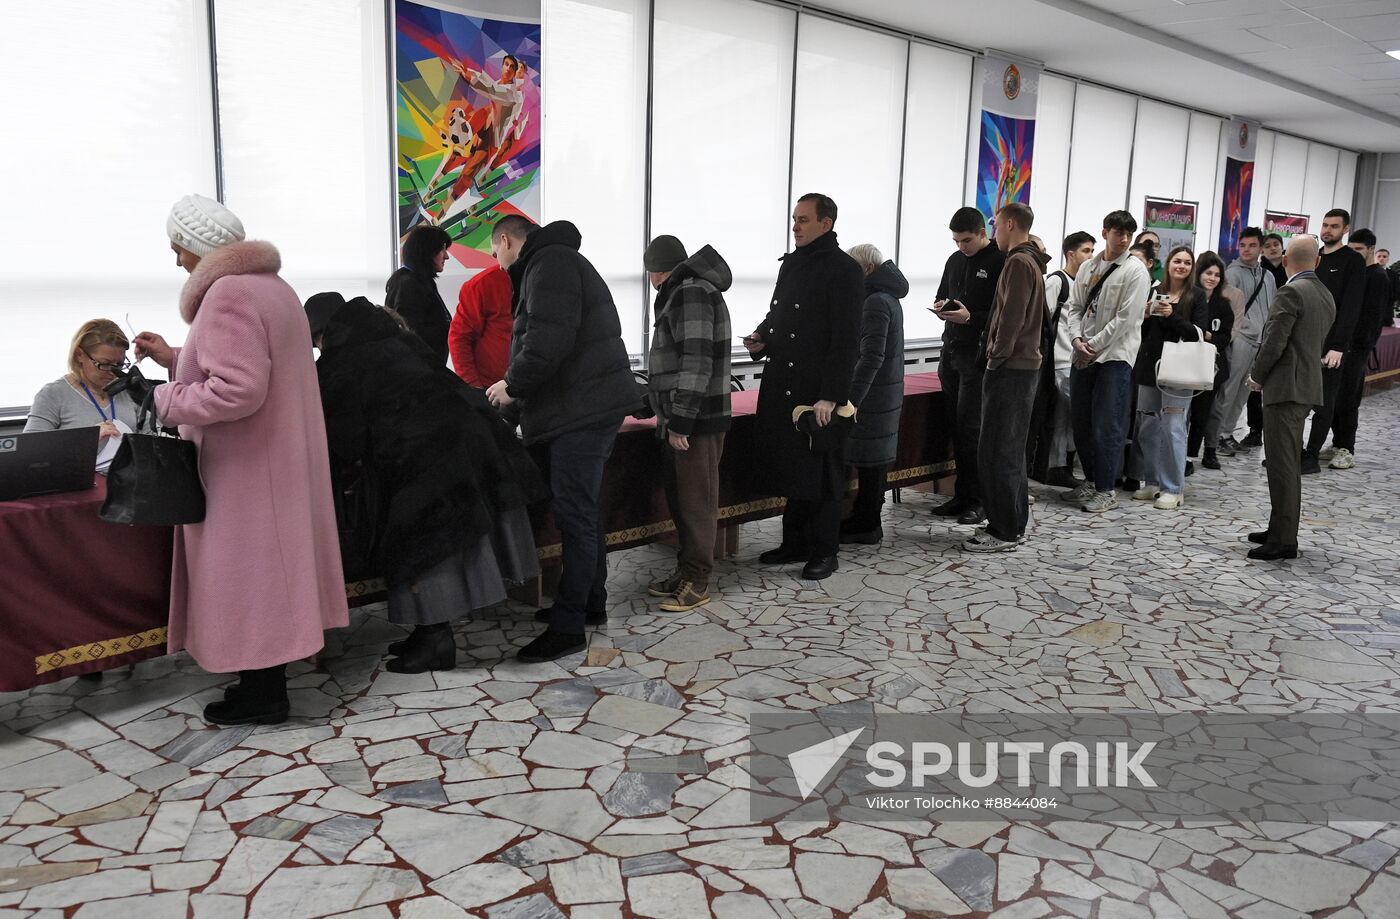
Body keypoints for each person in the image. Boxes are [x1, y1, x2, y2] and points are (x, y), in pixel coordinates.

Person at [133, 194, 348, 726]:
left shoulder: (228, 294)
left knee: (249, 579)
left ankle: (264, 693)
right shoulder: (273, 289)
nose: (177, 259)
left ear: (198, 247)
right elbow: (248, 365)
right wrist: (175, 359)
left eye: (178, 247)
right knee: (270, 575)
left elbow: (238, 389)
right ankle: (263, 685)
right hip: (277, 463)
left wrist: (164, 400)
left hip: (246, 468)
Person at [307, 293, 542, 673]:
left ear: (321, 333)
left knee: (425, 549)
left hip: (422, 460)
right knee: (443, 542)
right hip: (472, 443)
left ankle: (435, 641)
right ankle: (427, 633)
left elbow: (344, 437)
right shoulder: (395, 336)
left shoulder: (342, 359)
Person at [484, 216, 637, 663]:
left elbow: (548, 339)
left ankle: (568, 625)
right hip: (579, 406)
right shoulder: (552, 262)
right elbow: (543, 342)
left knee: (576, 516)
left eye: (495, 253)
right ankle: (589, 604)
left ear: (508, 241)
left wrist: (511, 386)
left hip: (581, 411)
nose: (497, 263)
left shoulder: (549, 263)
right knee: (582, 513)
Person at [743, 193, 863, 581]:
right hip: (784, 380)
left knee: (824, 471)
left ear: (826, 223)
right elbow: (780, 311)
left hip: (817, 388)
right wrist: (763, 335)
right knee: (792, 466)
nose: (796, 226)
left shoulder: (844, 269)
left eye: (804, 220)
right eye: (794, 219)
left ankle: (825, 550)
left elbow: (846, 338)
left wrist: (832, 394)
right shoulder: (793, 264)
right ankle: (794, 543)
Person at [640, 235, 733, 611]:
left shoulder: (691, 291)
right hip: (682, 416)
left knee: (696, 503)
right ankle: (686, 569)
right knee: (682, 501)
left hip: (697, 420)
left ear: (655, 270)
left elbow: (696, 361)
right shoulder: (682, 289)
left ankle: (697, 580)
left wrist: (681, 420)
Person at [965, 202, 1047, 552]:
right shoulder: (1032, 260)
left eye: (996, 224)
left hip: (1011, 368)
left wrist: (995, 359)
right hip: (1022, 368)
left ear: (1010, 224)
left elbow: (1010, 318)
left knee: (998, 449)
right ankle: (1011, 522)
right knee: (1009, 448)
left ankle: (1004, 529)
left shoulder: (1017, 261)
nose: (994, 230)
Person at [1247, 235, 1334, 561]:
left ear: (1285, 260)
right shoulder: (1324, 293)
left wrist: (1256, 376)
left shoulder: (1291, 291)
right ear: (1319, 261)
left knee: (1282, 466)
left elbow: (1274, 343)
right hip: (1306, 386)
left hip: (1286, 389)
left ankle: (1284, 540)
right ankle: (1280, 527)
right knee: (1286, 464)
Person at [1062, 210, 1153, 513]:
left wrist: (1093, 345)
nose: (1123, 238)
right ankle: (1090, 480)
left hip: (1114, 357)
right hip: (1083, 354)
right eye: (1117, 232)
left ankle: (1105, 489)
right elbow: (1074, 308)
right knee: (1082, 422)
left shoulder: (1136, 271)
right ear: (1105, 233)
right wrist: (1077, 340)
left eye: (1128, 233)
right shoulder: (1088, 267)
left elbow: (1126, 319)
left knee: (1106, 424)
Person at [930, 206, 1005, 526]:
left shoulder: (1000, 261)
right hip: (951, 351)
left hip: (977, 356)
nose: (961, 246)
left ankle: (979, 500)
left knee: (973, 431)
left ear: (983, 233)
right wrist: (940, 308)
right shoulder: (954, 260)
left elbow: (1005, 314)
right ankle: (961, 495)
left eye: (966, 240)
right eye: (956, 241)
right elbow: (942, 294)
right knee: (956, 429)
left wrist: (971, 317)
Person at [1126, 247, 1209, 509]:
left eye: (1187, 262)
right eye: (1177, 261)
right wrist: (1147, 313)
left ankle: (1173, 487)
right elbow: (1139, 328)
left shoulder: (1196, 296)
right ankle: (1152, 481)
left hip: (1179, 369)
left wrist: (1172, 315)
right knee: (1148, 427)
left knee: (1173, 427)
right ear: (1168, 264)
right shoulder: (1154, 288)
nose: (1181, 266)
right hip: (1150, 366)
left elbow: (1197, 333)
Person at [840, 243, 908, 545]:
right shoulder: (885, 296)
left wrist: (852, 398)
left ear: (867, 269)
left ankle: (867, 523)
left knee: (871, 463)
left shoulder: (876, 302)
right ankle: (864, 519)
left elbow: (871, 357)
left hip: (873, 395)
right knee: (872, 461)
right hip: (882, 393)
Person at [1302, 209, 1367, 474]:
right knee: (1298, 401)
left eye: (1334, 226)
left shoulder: (1352, 261)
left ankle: (1311, 453)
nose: (1328, 230)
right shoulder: (1313, 257)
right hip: (1305, 340)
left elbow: (1352, 306)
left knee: (1324, 401)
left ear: (1345, 229)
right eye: (1325, 225)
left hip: (1331, 345)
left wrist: (1339, 345)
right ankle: (1291, 451)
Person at [1028, 231, 1095, 488]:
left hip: (1075, 359)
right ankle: (1054, 467)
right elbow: (1042, 318)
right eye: (1085, 251)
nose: (1090, 256)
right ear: (1071, 253)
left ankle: (1062, 465)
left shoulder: (1084, 283)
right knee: (1060, 416)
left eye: (1091, 251)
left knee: (1070, 417)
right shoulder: (1058, 281)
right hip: (1057, 360)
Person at [1324, 228, 1392, 470]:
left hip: (1357, 349)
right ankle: (1336, 441)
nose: (1353, 255)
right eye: (1350, 250)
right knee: (1331, 397)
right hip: (1339, 345)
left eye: (1358, 250)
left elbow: (1372, 318)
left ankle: (1346, 447)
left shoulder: (1377, 277)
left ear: (1371, 250)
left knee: (1348, 399)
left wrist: (1357, 346)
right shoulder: (1354, 272)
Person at [1208, 227, 1276, 458]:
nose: (1246, 250)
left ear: (1261, 248)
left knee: (1245, 390)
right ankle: (1216, 436)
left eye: (1252, 245)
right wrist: (1242, 330)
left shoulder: (1268, 276)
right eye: (1243, 245)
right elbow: (1227, 309)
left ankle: (1227, 432)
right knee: (1229, 388)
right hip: (1239, 340)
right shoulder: (1233, 273)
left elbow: (1272, 308)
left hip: (1260, 340)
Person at [25, 320, 142, 444]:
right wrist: (86, 439)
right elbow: (30, 449)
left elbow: (152, 442)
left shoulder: (130, 391)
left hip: (130, 464)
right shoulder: (53, 395)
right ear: (79, 355)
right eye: (105, 364)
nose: (113, 372)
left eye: (119, 364)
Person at [1186, 252, 1238, 471]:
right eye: (1208, 273)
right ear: (1199, 274)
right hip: (1186, 363)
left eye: (1217, 275)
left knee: (1203, 413)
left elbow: (1225, 338)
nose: (1212, 278)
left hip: (1212, 367)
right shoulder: (1188, 298)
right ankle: (1182, 455)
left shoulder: (1223, 305)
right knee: (1183, 413)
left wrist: (1206, 336)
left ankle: (1200, 454)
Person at [386, 224, 453, 365]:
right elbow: (411, 334)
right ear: (427, 251)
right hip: (418, 373)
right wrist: (452, 328)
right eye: (442, 250)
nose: (446, 256)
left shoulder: (422, 280)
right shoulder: (408, 285)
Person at [449, 264, 513, 388]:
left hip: (536, 390)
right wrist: (474, 388)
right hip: (490, 391)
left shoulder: (545, 279)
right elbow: (459, 338)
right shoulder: (483, 284)